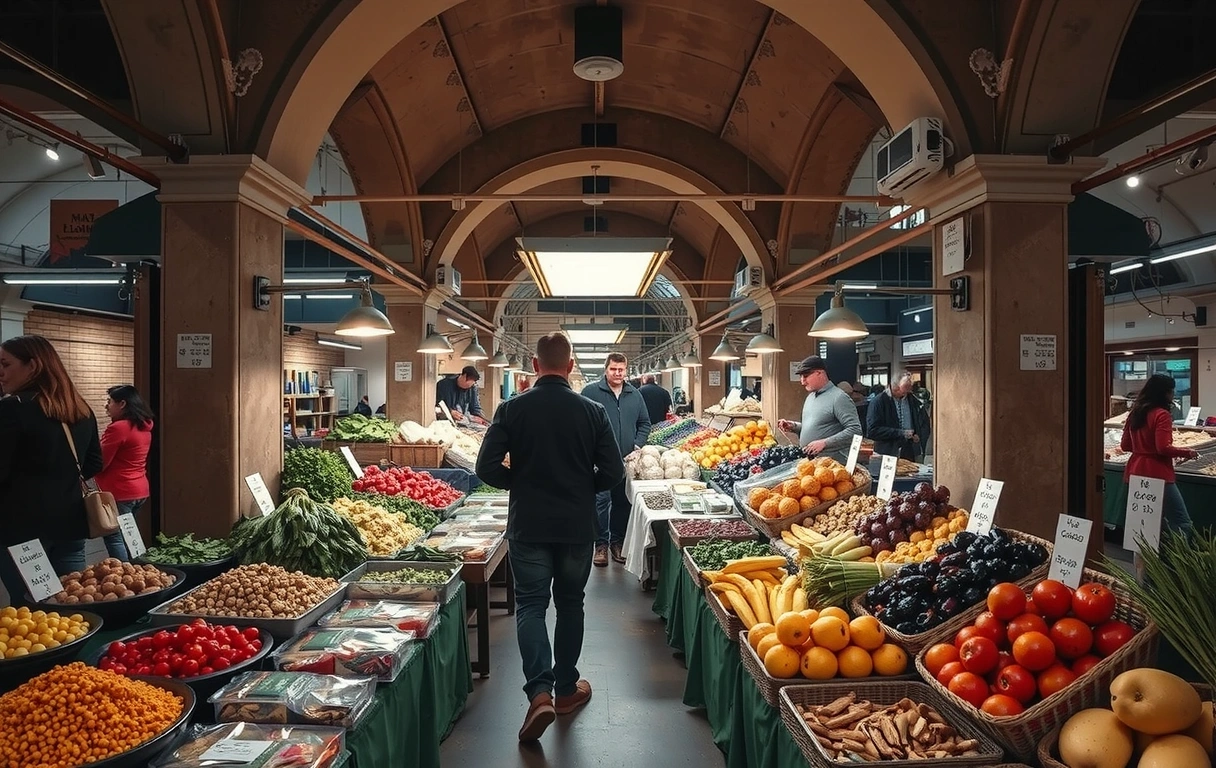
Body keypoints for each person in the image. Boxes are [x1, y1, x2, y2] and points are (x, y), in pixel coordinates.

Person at [475, 332, 625, 742]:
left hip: (529, 526)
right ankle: (564, 690)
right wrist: (581, 488)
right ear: (571, 366)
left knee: (531, 607)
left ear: (536, 366)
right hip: (576, 527)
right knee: (571, 605)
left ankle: (538, 693)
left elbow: (485, 467)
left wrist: (519, 481)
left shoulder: (511, 409)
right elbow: (614, 474)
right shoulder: (593, 411)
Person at [0, 335, 102, 600]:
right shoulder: (80, 409)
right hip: (71, 523)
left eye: (5, 364)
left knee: (32, 612)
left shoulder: (12, 409)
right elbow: (93, 463)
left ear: (32, 366)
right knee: (73, 603)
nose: (1, 372)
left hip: (21, 531)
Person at [1120, 374, 1196, 570]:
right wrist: (1187, 452)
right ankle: (1178, 570)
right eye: (1171, 391)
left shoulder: (1135, 413)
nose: (1173, 395)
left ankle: (1145, 575)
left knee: (1146, 528)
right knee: (1182, 522)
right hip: (1157, 474)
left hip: (1135, 472)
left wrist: (1142, 448)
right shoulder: (1161, 415)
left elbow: (1125, 445)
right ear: (1165, 393)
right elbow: (1162, 448)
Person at [581, 353, 651, 567]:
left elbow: (644, 423)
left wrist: (637, 445)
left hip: (627, 461)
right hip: (599, 461)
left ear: (626, 370)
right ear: (606, 370)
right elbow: (581, 424)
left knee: (622, 503)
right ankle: (600, 546)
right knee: (600, 502)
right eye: (613, 369)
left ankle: (617, 543)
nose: (618, 373)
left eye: (621, 369)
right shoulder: (590, 392)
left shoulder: (635, 394)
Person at [96, 385, 155, 561]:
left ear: (122, 404)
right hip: (139, 489)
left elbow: (101, 462)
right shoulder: (144, 426)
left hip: (119, 491)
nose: (107, 406)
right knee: (129, 534)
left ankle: (124, 576)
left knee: (114, 536)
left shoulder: (119, 428)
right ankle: (140, 571)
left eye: (110, 402)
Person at [776, 356, 861, 464]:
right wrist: (794, 426)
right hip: (810, 463)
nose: (802, 381)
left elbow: (855, 430)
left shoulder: (839, 398)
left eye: (806, 376)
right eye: (801, 377)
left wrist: (825, 443)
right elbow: (818, 428)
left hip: (832, 467)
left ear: (819, 373)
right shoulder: (810, 397)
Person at [867, 373, 931, 461]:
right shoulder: (878, 402)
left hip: (909, 450)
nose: (904, 395)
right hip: (887, 452)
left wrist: (918, 434)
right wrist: (900, 432)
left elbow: (923, 422)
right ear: (893, 387)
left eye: (907, 391)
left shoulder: (913, 400)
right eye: (902, 391)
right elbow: (872, 430)